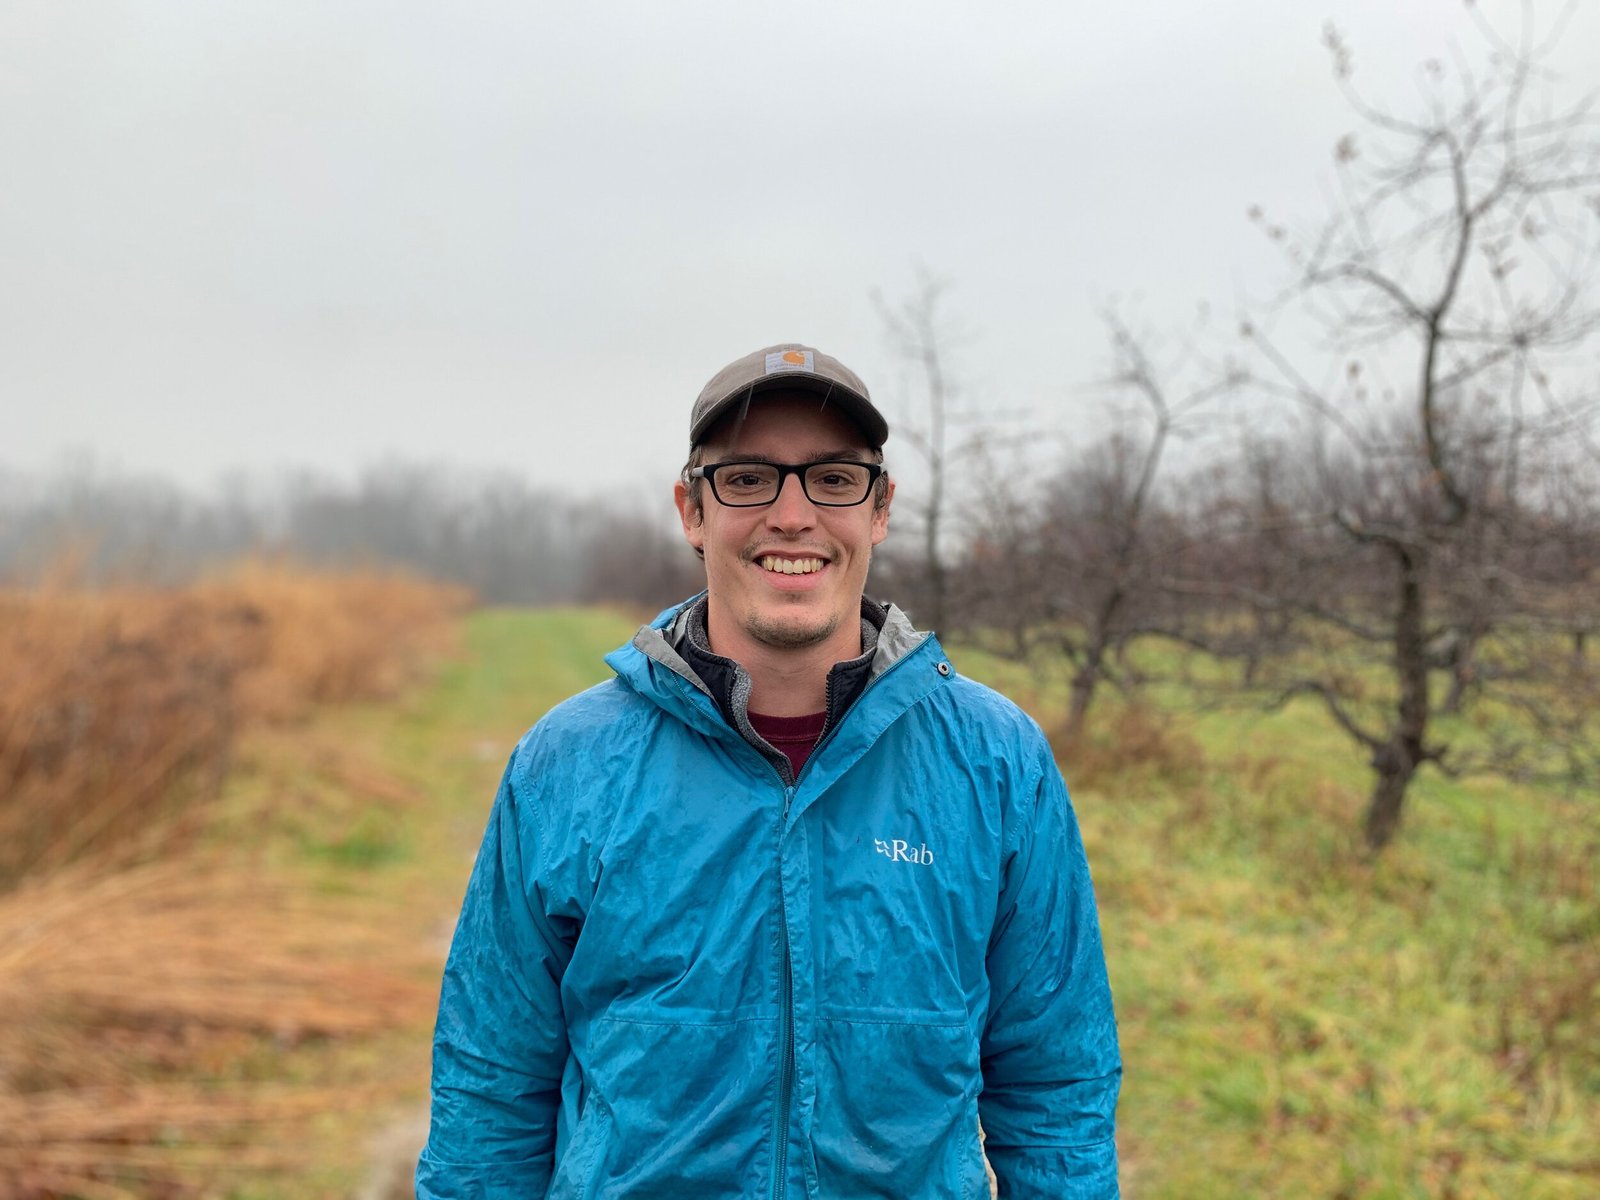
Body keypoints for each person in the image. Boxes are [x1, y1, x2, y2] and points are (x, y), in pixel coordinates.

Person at [416, 343, 1122, 1199]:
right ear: (692, 510)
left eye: (832, 479)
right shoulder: (565, 765)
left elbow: (1056, 1086)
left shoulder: (996, 762)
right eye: (749, 479)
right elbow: (491, 1085)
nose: (793, 516)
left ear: (881, 508)